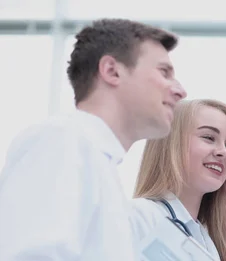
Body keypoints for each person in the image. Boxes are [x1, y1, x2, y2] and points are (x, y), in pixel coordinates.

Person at [0, 19, 186, 260]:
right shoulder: (62, 140)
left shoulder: (96, 164)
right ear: (111, 71)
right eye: (164, 72)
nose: (180, 90)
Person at [129, 99, 226, 261]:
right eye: (209, 137)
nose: (223, 152)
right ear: (171, 143)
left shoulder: (209, 243)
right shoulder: (139, 216)